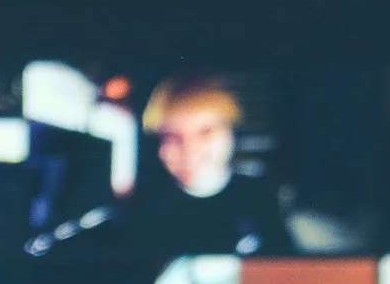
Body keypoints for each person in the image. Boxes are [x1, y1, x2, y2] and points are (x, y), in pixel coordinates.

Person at [123, 77, 294, 259]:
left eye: (205, 131)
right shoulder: (147, 206)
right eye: (173, 136)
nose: (190, 149)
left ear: (230, 134)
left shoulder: (260, 193)